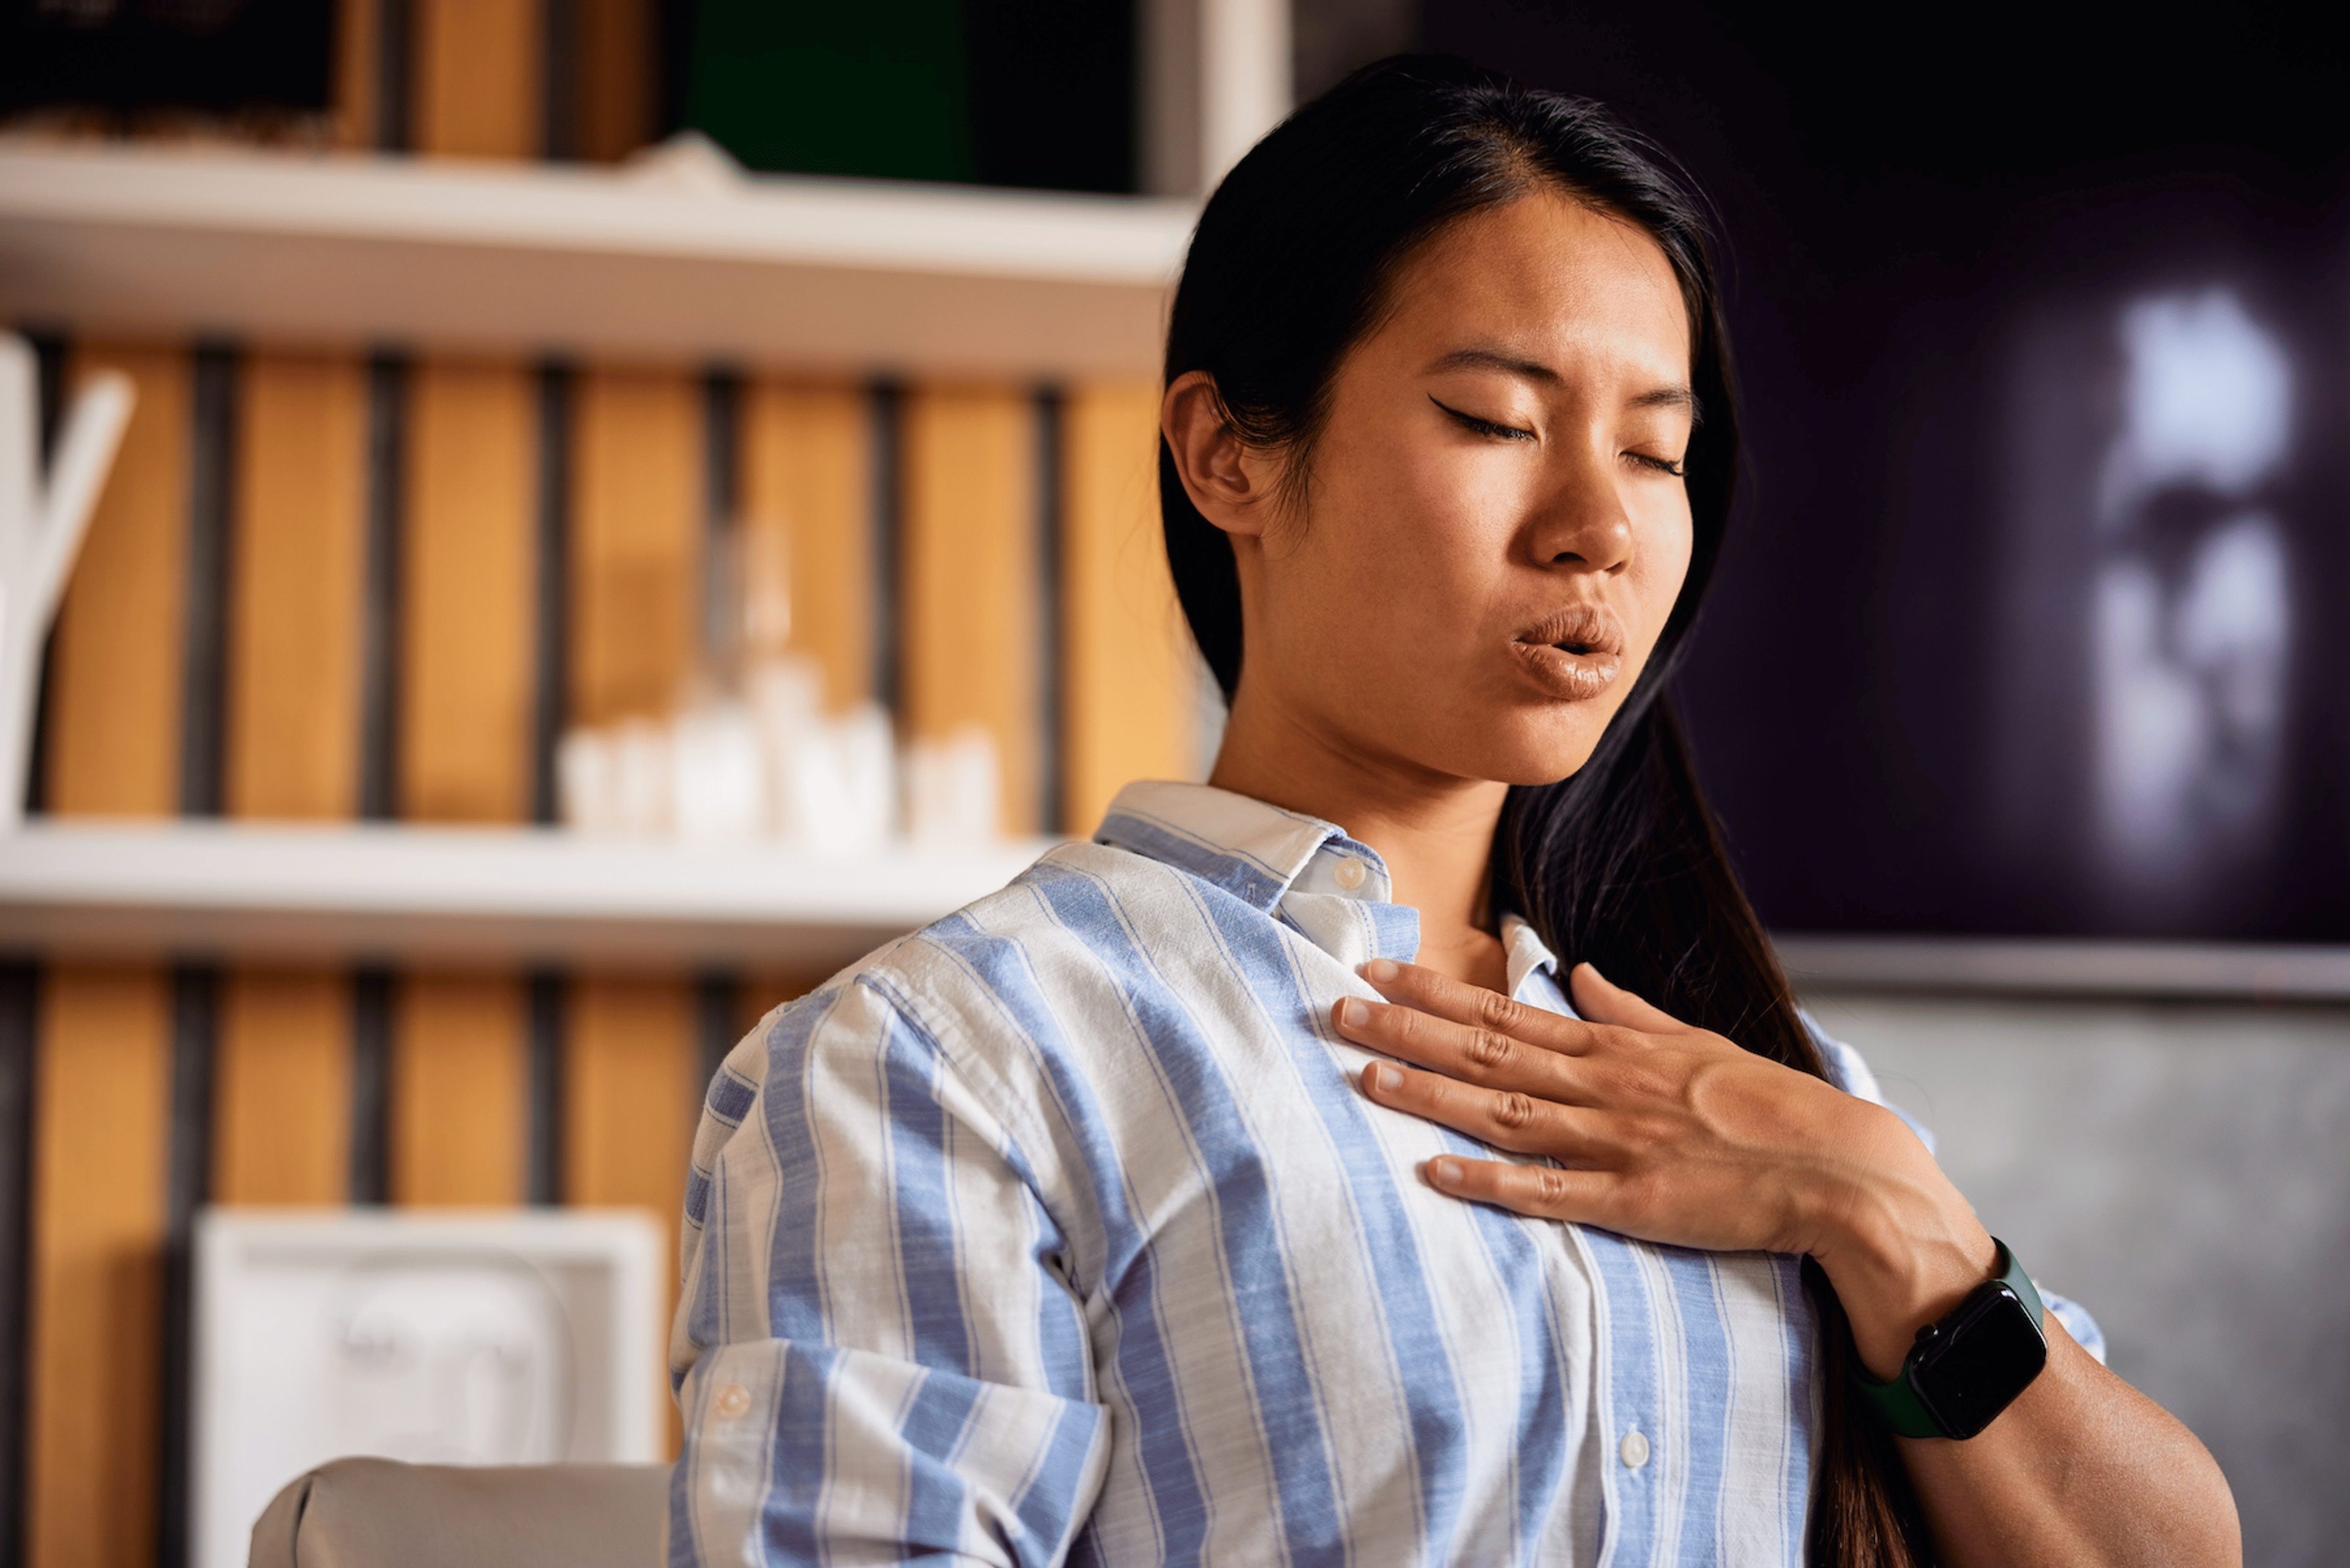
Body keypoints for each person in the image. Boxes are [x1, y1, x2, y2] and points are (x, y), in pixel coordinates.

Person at [665, 56, 2238, 1567]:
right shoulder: (952, 1065)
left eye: (1658, 450)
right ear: (1228, 454)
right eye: (1495, 420)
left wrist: (1893, 1221)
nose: (1599, 527)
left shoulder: (1775, 1083)